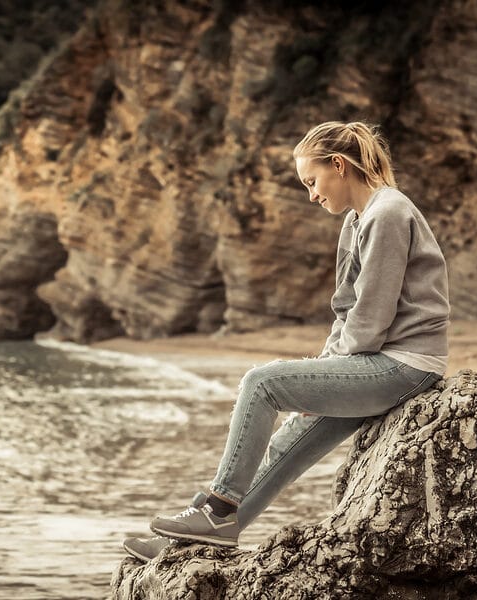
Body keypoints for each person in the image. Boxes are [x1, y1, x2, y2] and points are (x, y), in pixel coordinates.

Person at [123, 120, 450, 560]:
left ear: (339, 166)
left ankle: (217, 509)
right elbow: (345, 311)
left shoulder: (388, 212)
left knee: (262, 382)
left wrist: (320, 378)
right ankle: (191, 543)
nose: (311, 195)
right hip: (378, 362)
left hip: (406, 364)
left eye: (312, 181)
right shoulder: (356, 221)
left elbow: (371, 319)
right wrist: (324, 376)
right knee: (286, 443)